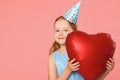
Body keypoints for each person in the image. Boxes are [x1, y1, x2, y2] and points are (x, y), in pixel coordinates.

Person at [48, 1, 115, 80]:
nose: (60, 33)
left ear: (74, 33)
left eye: (65, 30)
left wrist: (107, 70)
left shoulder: (85, 53)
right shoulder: (53, 57)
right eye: (57, 30)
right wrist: (68, 70)